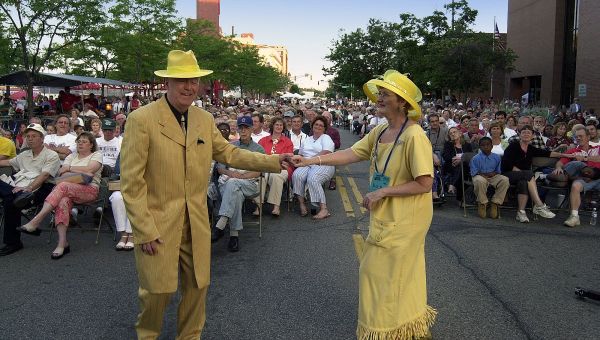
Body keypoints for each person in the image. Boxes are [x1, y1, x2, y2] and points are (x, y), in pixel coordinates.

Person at [120, 50, 288, 339]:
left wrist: (275, 161)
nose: (189, 86)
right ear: (167, 82)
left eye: (194, 80)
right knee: (157, 291)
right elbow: (132, 182)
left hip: (196, 219)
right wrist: (144, 229)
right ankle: (147, 334)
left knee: (198, 286)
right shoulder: (141, 119)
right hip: (158, 222)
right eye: (182, 80)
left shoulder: (204, 118)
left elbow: (230, 152)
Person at [292, 70, 436, 339]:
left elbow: (425, 183)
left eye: (385, 94)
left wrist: (383, 193)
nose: (379, 98)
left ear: (402, 102)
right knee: (399, 273)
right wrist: (310, 161)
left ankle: (383, 330)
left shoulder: (414, 136)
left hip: (407, 216)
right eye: (379, 93)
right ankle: (410, 325)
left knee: (376, 272)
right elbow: (352, 152)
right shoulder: (381, 129)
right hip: (387, 213)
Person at [18, 132, 103, 258]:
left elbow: (90, 170)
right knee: (62, 200)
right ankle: (62, 243)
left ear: (91, 145)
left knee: (62, 186)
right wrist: (78, 170)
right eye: (79, 141)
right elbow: (62, 174)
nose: (80, 143)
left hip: (90, 190)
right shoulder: (71, 156)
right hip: (68, 189)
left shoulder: (97, 155)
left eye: (84, 141)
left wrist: (69, 169)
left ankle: (36, 221)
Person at [0, 124, 60, 256]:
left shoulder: (51, 155)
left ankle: (13, 243)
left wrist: (28, 188)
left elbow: (44, 176)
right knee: (11, 198)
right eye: (28, 136)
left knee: (11, 202)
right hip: (18, 186)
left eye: (34, 136)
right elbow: (8, 162)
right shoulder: (24, 154)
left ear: (42, 138)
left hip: (40, 188)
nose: (30, 139)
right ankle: (10, 193)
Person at [501, 125, 569, 223]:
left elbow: (548, 153)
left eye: (529, 133)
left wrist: (566, 155)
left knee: (524, 182)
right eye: (523, 132)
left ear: (532, 136)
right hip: (508, 174)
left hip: (524, 176)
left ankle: (521, 212)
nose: (526, 134)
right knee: (528, 174)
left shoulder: (531, 148)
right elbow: (506, 163)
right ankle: (539, 205)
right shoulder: (513, 146)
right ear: (519, 135)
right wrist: (523, 173)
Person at [551, 125, 600, 227]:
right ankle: (574, 216)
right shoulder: (573, 151)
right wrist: (559, 167)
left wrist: (585, 158)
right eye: (576, 137)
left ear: (588, 137)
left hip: (598, 177)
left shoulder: (597, 148)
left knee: (579, 165)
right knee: (575, 185)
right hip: (584, 179)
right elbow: (561, 162)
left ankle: (570, 176)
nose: (578, 138)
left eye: (581, 136)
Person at [292, 116, 335, 219]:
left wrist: (309, 160)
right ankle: (302, 204)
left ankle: (324, 209)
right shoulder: (307, 139)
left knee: (313, 178)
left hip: (323, 163)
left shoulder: (326, 138)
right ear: (312, 125)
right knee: (297, 175)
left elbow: (327, 152)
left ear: (324, 128)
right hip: (307, 164)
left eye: (321, 125)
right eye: (316, 124)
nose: (318, 126)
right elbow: (301, 154)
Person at [258, 117, 294, 216]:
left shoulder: (287, 142)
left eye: (281, 125)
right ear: (272, 126)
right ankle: (258, 206)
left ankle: (276, 207)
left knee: (276, 176)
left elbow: (288, 159)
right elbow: (259, 156)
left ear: (283, 127)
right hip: (265, 167)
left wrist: (274, 160)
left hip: (282, 168)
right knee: (262, 176)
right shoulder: (263, 141)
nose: (278, 127)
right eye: (276, 125)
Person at [470, 137, 510, 218]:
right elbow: (474, 172)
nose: (486, 147)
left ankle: (495, 202)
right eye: (483, 145)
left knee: (505, 180)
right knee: (479, 181)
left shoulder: (497, 157)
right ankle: (483, 203)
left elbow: (498, 170)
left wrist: (494, 173)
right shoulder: (475, 158)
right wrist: (482, 174)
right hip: (480, 176)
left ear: (492, 146)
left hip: (493, 176)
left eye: (488, 145)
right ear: (479, 147)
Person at [442, 126, 473, 196]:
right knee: (458, 166)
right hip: (451, 166)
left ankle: (452, 185)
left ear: (460, 133)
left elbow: (471, 156)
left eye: (454, 132)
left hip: (465, 168)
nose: (453, 134)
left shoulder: (467, 145)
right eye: (450, 133)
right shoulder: (448, 144)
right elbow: (446, 156)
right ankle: (454, 188)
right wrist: (456, 159)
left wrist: (461, 159)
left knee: (461, 166)